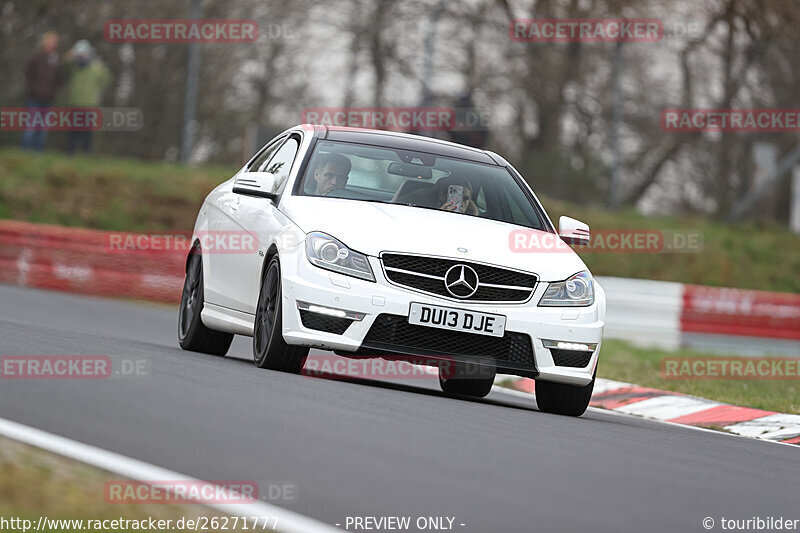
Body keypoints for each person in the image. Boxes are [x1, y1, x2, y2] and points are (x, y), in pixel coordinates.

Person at [64, 40, 112, 153]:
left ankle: (87, 153)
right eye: (79, 54)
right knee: (73, 131)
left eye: (82, 54)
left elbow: (107, 79)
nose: (81, 57)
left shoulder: (96, 68)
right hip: (74, 103)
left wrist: (97, 91)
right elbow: (64, 65)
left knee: (87, 131)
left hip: (90, 105)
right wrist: (69, 56)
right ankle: (71, 153)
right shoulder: (73, 67)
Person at [22, 31, 65, 151]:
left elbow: (60, 79)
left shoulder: (56, 59)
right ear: (44, 42)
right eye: (49, 41)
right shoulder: (36, 57)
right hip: (34, 97)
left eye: (54, 41)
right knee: (31, 124)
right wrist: (35, 88)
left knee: (43, 127)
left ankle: (38, 151)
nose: (51, 44)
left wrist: (54, 91)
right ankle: (25, 151)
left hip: (49, 99)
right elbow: (27, 73)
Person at [398, 175, 479, 215]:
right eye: (456, 197)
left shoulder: (475, 221)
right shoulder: (416, 206)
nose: (461, 203)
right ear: (441, 195)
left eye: (466, 199)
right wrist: (439, 215)